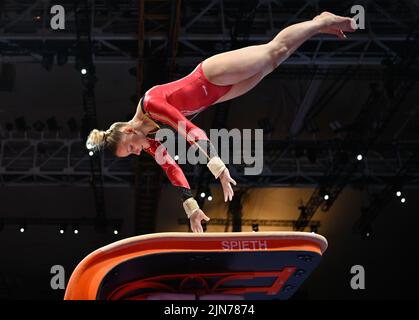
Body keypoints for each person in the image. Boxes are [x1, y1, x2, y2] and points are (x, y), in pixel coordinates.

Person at [86, 12, 356, 233]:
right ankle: (317, 26)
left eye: (131, 148)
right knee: (273, 63)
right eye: (131, 154)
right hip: (217, 96)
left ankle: (321, 22)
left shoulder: (151, 104)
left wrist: (218, 168)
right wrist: (190, 208)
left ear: (130, 130)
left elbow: (189, 129)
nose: (136, 152)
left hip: (211, 76)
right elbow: (172, 171)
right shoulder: (150, 140)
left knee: (274, 51)